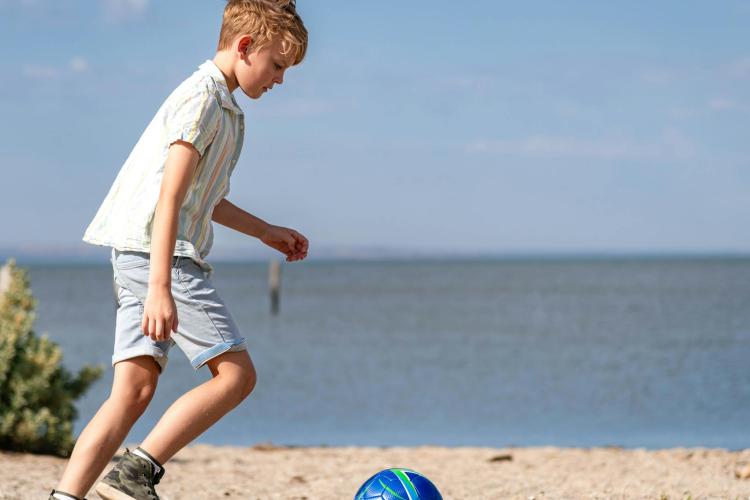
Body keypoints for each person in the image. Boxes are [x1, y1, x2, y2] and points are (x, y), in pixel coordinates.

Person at [49, 2, 308, 499]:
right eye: (277, 65)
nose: (280, 80)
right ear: (246, 47)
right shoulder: (203, 99)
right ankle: (135, 472)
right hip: (158, 259)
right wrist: (161, 288)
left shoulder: (226, 110)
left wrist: (264, 231)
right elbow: (169, 197)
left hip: (136, 256)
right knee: (235, 376)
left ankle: (65, 497)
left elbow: (203, 198)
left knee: (133, 392)